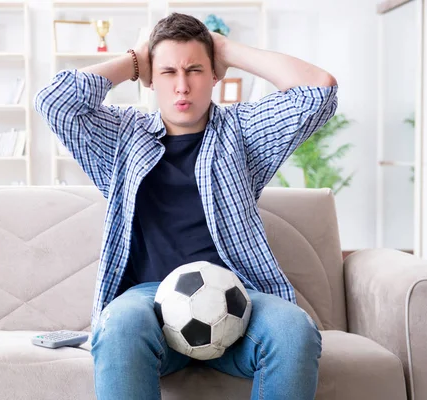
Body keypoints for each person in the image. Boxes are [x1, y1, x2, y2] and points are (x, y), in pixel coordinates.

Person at [35, 12, 337, 400]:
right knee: (119, 325)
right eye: (167, 72)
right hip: (150, 304)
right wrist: (134, 58)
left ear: (214, 75)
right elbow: (54, 102)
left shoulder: (242, 133)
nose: (182, 86)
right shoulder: (122, 137)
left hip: (237, 300)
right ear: (149, 77)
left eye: (195, 70)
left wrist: (224, 47)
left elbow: (320, 90)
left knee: (294, 330)